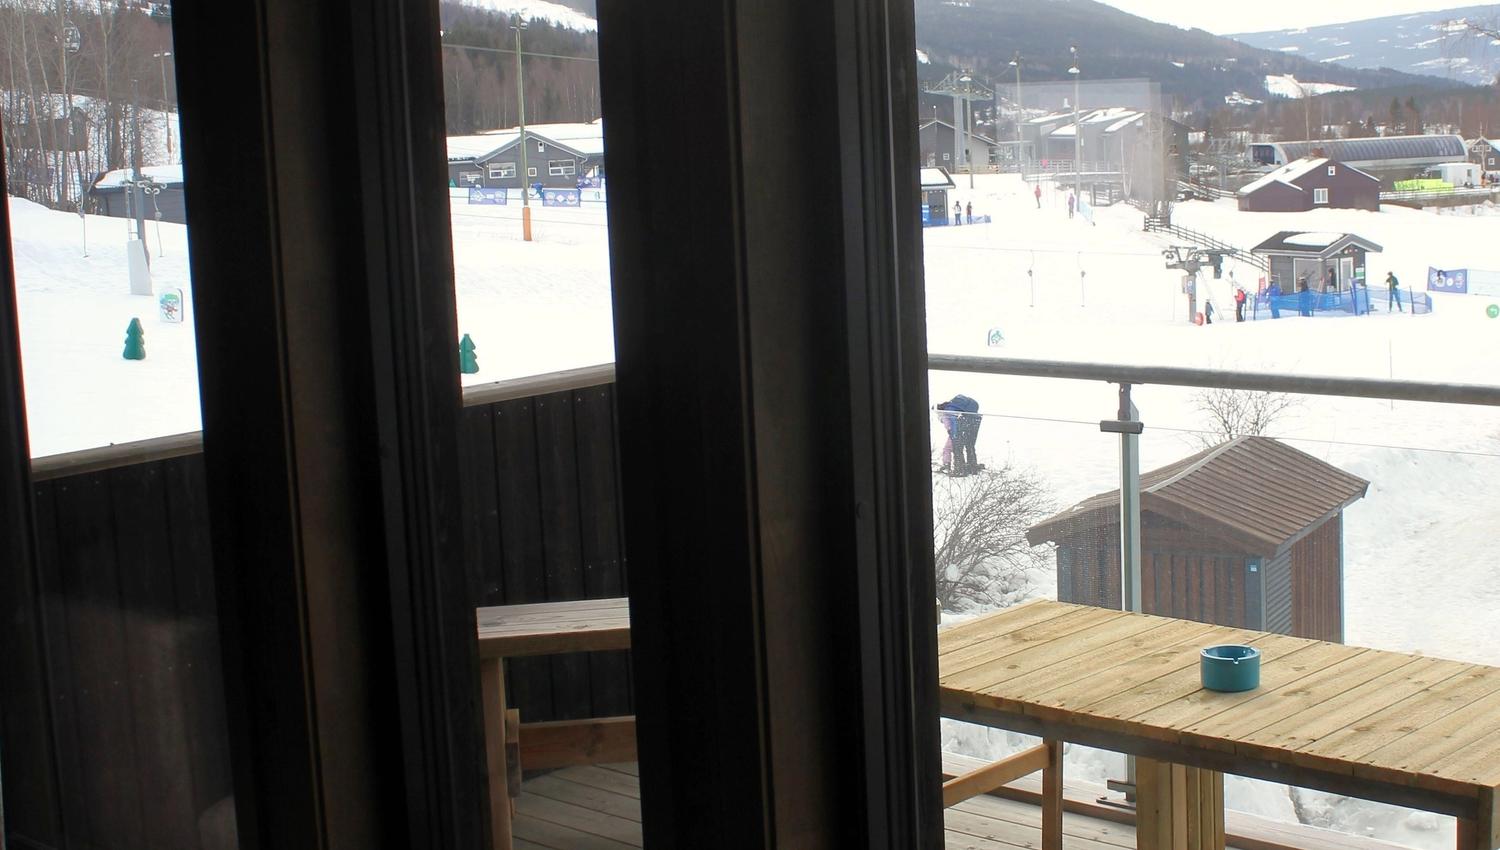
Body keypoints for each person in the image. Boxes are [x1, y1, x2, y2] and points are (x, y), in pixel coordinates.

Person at [945, 394, 982, 476]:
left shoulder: (948, 410)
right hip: (975, 419)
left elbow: (954, 422)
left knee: (957, 447)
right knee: (970, 445)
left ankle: (960, 469)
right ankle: (972, 468)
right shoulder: (957, 405)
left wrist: (954, 434)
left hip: (964, 422)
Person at [935, 404, 958, 472]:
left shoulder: (944, 415)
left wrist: (950, 430)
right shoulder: (949, 412)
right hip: (958, 432)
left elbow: (948, 424)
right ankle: (959, 465)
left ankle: (946, 465)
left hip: (953, 433)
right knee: (955, 449)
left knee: (947, 448)